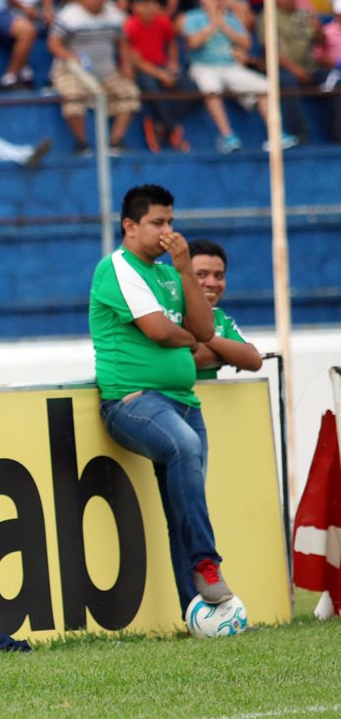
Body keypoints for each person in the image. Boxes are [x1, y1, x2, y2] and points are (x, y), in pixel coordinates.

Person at [90, 183, 234, 616]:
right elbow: (160, 330)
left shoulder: (171, 273)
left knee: (182, 508)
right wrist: (191, 337)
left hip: (183, 401)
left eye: (171, 222)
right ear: (130, 226)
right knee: (185, 449)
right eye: (157, 223)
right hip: (131, 401)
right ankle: (208, 562)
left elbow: (207, 330)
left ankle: (196, 612)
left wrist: (186, 267)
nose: (167, 231)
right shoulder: (117, 267)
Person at [180, 0, 297, 154]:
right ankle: (228, 136)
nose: (218, 0)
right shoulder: (193, 17)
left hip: (230, 66)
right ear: (204, 0)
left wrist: (224, 25)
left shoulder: (231, 18)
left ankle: (276, 134)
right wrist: (214, 23)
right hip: (204, 66)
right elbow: (193, 43)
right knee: (211, 90)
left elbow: (247, 43)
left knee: (266, 87)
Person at [48, 0, 140, 156]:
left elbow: (122, 41)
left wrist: (127, 65)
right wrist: (70, 56)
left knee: (130, 93)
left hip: (106, 69)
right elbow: (53, 44)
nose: (96, 0)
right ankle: (81, 143)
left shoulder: (114, 14)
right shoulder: (68, 15)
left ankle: (115, 141)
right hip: (73, 70)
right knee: (72, 97)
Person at [259, 0, 341, 144]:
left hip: (309, 68)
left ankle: (337, 133)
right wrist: (295, 69)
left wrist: (318, 30)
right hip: (283, 69)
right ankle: (299, 134)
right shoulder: (268, 16)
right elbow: (271, 51)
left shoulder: (304, 15)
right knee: (287, 81)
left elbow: (320, 42)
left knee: (336, 80)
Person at [124, 0, 195, 152]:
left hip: (161, 66)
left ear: (156, 5)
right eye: (142, 3)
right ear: (135, 6)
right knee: (152, 88)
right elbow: (135, 60)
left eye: (150, 3)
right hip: (142, 70)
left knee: (192, 89)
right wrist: (161, 75)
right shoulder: (130, 26)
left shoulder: (163, 21)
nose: (147, 7)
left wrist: (173, 64)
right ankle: (173, 130)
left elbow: (171, 43)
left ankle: (159, 124)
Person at [187, 239, 262, 380]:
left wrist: (206, 338)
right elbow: (186, 360)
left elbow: (253, 359)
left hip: (210, 401)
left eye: (219, 276)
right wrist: (228, 354)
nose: (212, 283)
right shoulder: (170, 312)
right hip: (168, 401)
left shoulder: (221, 318)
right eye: (201, 274)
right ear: (182, 276)